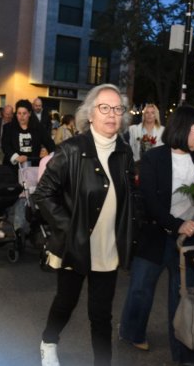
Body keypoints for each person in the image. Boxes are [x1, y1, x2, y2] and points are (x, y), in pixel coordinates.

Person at [32, 83, 134, 366]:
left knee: (101, 315)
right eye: (104, 108)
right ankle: (48, 341)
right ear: (90, 114)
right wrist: (69, 227)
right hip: (75, 246)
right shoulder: (71, 150)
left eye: (117, 109)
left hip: (108, 248)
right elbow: (43, 194)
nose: (111, 114)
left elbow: (128, 200)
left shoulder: (125, 152)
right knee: (66, 302)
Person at [120, 105, 194, 365]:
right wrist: (175, 223)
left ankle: (185, 355)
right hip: (155, 235)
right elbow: (150, 200)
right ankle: (131, 331)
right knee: (140, 290)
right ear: (183, 128)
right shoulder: (154, 158)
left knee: (183, 297)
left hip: (189, 239)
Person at [2, 99, 55, 173]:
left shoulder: (38, 128)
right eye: (19, 113)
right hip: (11, 168)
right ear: (16, 114)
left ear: (29, 113)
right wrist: (16, 157)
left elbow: (50, 144)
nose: (21, 116)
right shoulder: (8, 128)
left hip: (33, 168)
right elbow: (5, 145)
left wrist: (48, 153)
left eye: (24, 113)